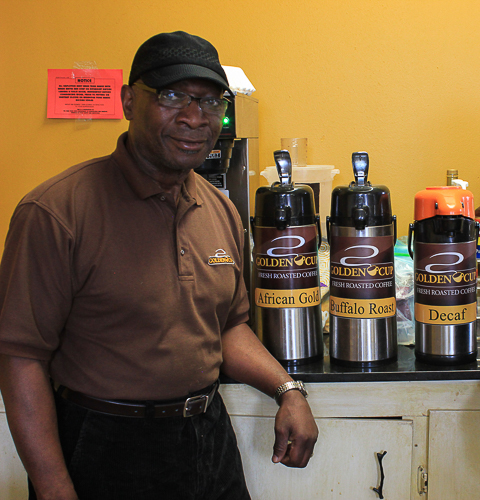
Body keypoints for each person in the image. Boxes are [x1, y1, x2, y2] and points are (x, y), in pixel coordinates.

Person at [0, 31, 318, 500]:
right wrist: (52, 487)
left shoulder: (221, 210)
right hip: (104, 447)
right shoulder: (56, 212)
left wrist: (288, 390)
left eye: (211, 103)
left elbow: (227, 327)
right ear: (128, 100)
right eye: (172, 96)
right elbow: (21, 357)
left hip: (207, 437)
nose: (194, 117)